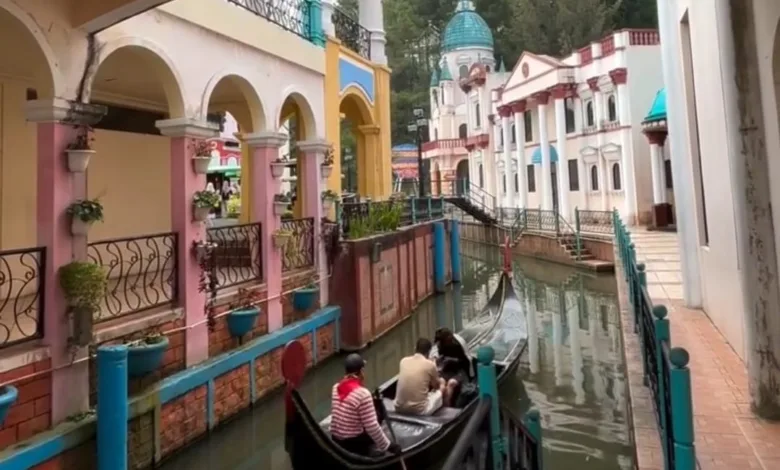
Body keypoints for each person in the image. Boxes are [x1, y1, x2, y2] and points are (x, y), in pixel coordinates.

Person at [330, 353, 401, 456]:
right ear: (361, 371)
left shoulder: (335, 388)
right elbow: (372, 426)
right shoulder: (363, 394)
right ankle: (371, 450)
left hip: (336, 440)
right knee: (377, 416)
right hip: (354, 444)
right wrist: (389, 446)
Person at [394, 338, 447, 415]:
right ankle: (446, 410)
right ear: (429, 352)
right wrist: (434, 367)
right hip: (419, 411)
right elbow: (436, 386)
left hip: (398, 408)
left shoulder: (403, 361)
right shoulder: (430, 364)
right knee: (442, 384)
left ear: (415, 348)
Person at [433, 328, 472, 406]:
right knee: (441, 382)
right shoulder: (440, 345)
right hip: (447, 369)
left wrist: (454, 360)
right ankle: (439, 405)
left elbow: (467, 361)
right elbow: (438, 355)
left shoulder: (458, 344)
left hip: (460, 370)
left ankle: (448, 407)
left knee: (451, 384)